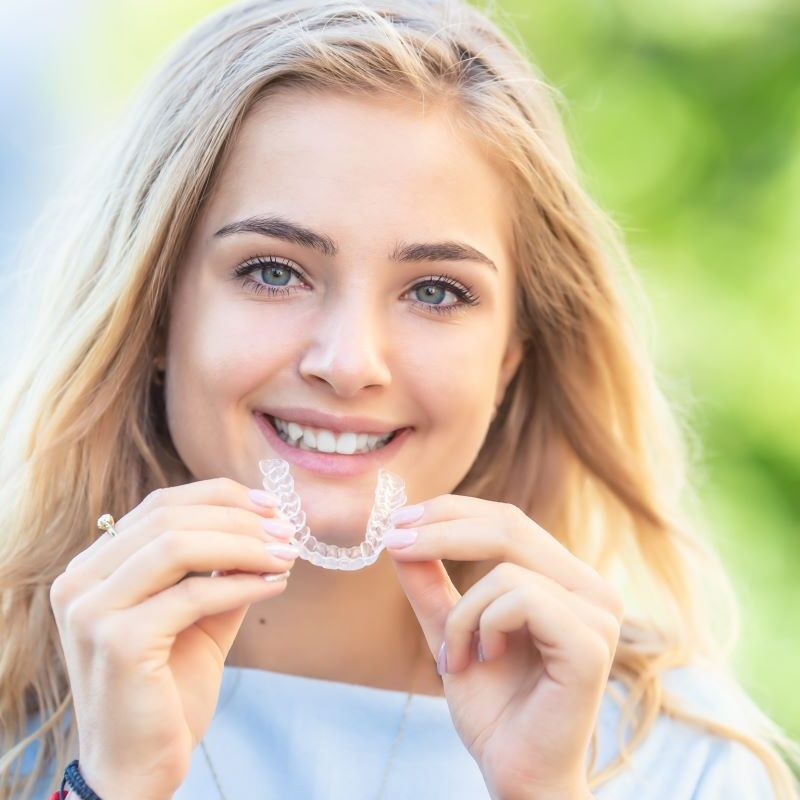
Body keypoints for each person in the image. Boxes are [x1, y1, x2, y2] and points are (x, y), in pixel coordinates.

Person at [1, 0, 798, 798]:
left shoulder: (685, 763)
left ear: (511, 359)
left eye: (436, 291)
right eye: (273, 271)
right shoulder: (18, 727)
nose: (349, 363)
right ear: (156, 315)